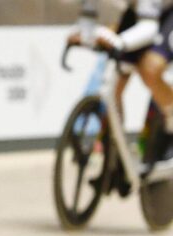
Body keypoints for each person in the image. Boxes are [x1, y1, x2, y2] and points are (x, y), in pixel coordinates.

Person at [70, 0, 173, 170]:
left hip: (165, 13)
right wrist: (83, 34)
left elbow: (149, 29)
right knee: (114, 84)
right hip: (136, 12)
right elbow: (87, 15)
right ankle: (115, 150)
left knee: (150, 68)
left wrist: (119, 42)